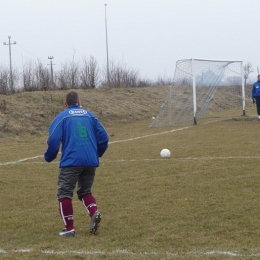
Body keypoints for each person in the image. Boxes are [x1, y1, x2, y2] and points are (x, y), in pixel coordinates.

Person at [44, 91, 109, 236]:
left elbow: (54, 140)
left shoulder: (62, 117)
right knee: (85, 191)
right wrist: (97, 153)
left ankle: (69, 229)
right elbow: (104, 137)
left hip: (71, 161)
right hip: (90, 161)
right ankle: (94, 212)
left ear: (65, 104)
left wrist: (49, 156)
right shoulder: (90, 115)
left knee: (64, 193)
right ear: (79, 102)